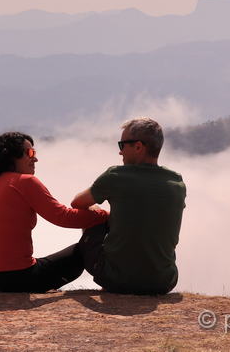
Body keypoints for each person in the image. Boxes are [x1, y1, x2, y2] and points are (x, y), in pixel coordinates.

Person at [0, 131, 108, 293]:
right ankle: (116, 277)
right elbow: (62, 217)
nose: (35, 158)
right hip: (16, 278)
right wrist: (104, 216)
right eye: (30, 153)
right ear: (12, 156)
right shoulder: (25, 182)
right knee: (81, 252)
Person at [71, 118, 186, 295]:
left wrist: (105, 215)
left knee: (92, 210)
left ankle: (110, 277)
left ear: (138, 146)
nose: (120, 152)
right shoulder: (176, 182)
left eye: (122, 145)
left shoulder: (115, 176)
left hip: (117, 282)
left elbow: (77, 203)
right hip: (164, 281)